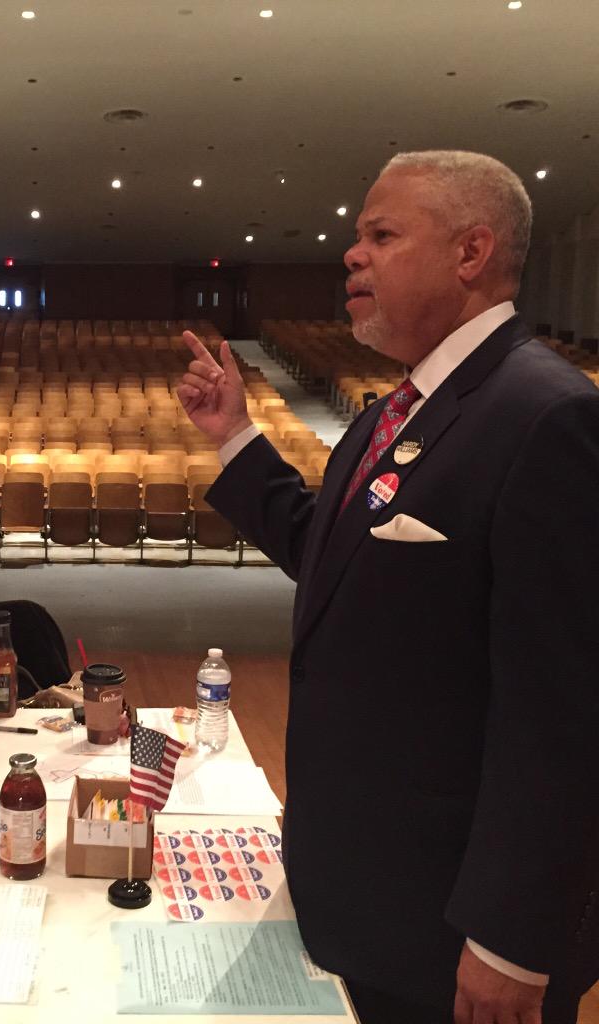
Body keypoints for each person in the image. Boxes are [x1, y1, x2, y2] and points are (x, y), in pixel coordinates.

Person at [178, 151, 599, 1024]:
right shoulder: (394, 412)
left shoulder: (547, 415)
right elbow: (330, 555)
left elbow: (565, 712)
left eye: (381, 234)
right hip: (362, 892)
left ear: (471, 252)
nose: (351, 255)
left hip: (452, 927)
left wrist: (510, 937)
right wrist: (233, 438)